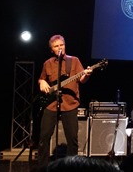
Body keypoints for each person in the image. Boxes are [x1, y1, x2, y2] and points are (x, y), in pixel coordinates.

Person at [36, 35, 93, 168]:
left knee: (72, 139)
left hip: (70, 104)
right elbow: (41, 79)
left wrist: (87, 75)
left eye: (61, 45)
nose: (59, 47)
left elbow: (82, 79)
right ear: (52, 49)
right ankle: (42, 167)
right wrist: (42, 81)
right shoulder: (47, 63)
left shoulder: (74, 61)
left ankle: (71, 167)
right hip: (50, 104)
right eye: (56, 46)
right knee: (44, 138)